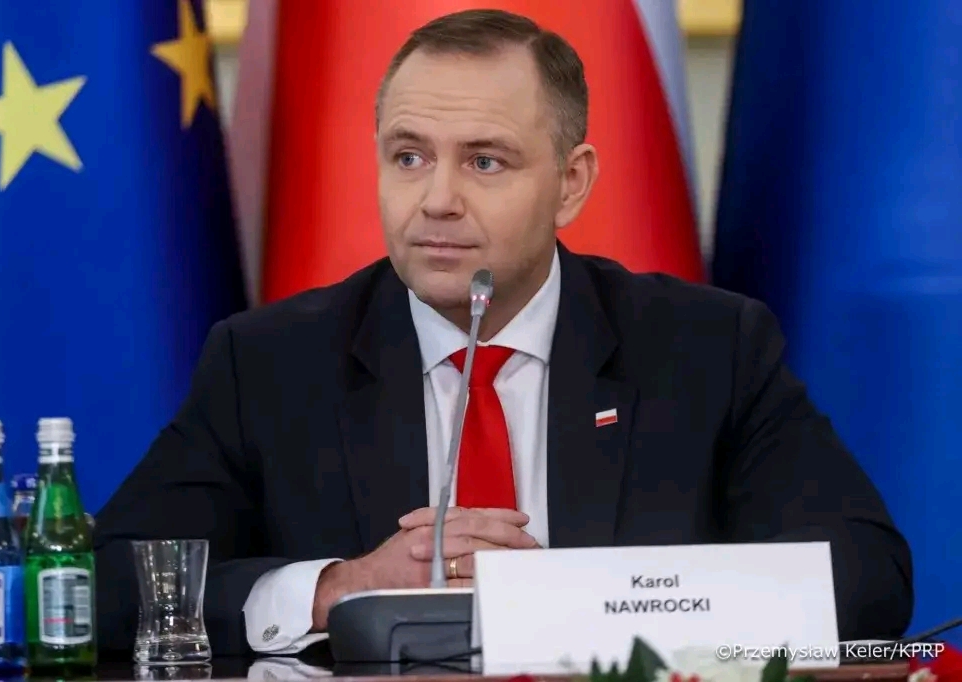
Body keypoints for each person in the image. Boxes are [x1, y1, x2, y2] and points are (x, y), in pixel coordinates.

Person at [94, 8, 913, 657]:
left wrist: (587, 604)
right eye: (409, 157)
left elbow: (865, 577)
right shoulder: (272, 362)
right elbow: (105, 585)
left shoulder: (705, 349)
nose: (437, 200)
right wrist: (338, 588)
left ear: (571, 183)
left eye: (485, 161)